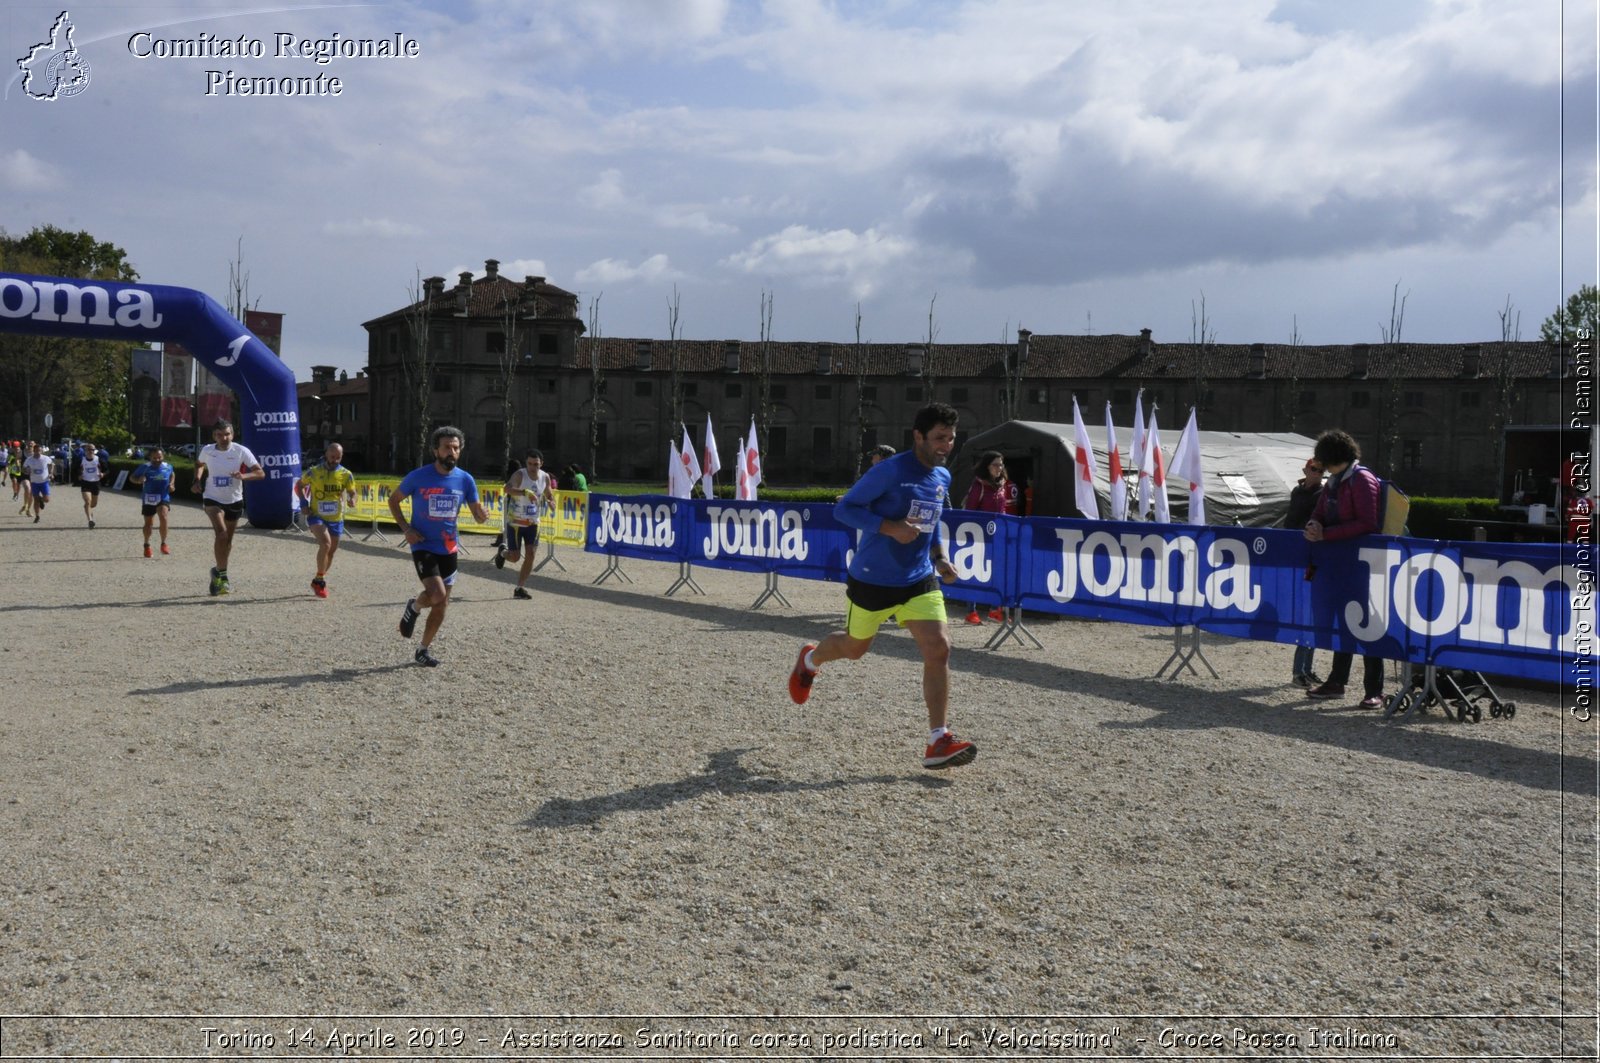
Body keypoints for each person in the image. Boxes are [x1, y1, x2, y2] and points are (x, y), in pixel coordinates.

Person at [787, 403, 977, 770]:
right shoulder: (889, 471)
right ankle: (809, 660)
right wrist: (890, 528)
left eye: (952, 439)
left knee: (939, 648)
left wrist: (939, 556)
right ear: (918, 436)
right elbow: (844, 509)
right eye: (940, 438)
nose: (946, 446)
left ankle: (938, 739)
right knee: (855, 648)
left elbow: (932, 520)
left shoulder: (942, 476)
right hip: (873, 578)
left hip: (919, 577)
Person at [388, 425, 489, 667]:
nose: (451, 452)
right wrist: (406, 528)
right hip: (423, 544)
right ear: (436, 451)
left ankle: (423, 649)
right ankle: (414, 606)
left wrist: (482, 515)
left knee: (442, 603)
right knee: (437, 594)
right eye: (447, 447)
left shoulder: (465, 480)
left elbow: (476, 514)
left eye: (456, 448)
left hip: (449, 547)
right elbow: (394, 500)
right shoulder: (418, 476)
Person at [1303, 429, 1385, 709]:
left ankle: (1375, 689)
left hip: (1363, 567)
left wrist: (1326, 534)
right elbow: (1320, 511)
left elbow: (1368, 524)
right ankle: (1337, 681)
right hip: (1339, 563)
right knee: (1344, 624)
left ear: (1331, 457)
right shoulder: (1335, 481)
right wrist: (1314, 525)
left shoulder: (1362, 479)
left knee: (1367, 625)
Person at [192, 419, 265, 596]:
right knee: (221, 534)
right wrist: (197, 480)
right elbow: (199, 464)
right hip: (212, 498)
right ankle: (223, 578)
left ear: (232, 434)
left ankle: (218, 571)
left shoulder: (241, 451)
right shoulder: (207, 450)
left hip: (234, 499)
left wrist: (244, 476)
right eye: (219, 434)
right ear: (214, 436)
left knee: (228, 542)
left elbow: (260, 473)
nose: (223, 438)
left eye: (227, 434)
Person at [960, 449, 1018, 625]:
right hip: (979, 537)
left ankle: (995, 609)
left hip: (998, 536)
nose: (999, 468)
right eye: (995, 465)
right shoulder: (979, 485)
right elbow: (969, 512)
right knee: (975, 573)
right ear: (987, 466)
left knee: (997, 572)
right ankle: (971, 611)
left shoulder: (1002, 484)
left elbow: (1003, 510)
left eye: (1001, 464)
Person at [1285, 454, 1326, 687]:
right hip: (1301, 560)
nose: (1317, 474)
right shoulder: (1297, 492)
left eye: (1321, 471)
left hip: (1313, 560)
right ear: (1306, 469)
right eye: (1314, 469)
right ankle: (1298, 671)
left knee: (1312, 614)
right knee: (1305, 615)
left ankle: (1306, 669)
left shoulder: (1321, 495)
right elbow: (1292, 523)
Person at [298, 442, 358, 598]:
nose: (335, 461)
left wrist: (353, 499)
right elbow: (299, 486)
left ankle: (318, 579)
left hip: (336, 518)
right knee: (325, 544)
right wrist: (304, 503)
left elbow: (353, 491)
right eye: (332, 457)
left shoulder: (346, 474)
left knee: (331, 552)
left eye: (338, 458)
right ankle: (321, 582)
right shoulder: (314, 472)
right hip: (316, 515)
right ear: (326, 455)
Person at [495, 449, 554, 600]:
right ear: (526, 463)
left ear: (541, 464)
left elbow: (548, 493)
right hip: (516, 522)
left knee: (531, 554)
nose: (533, 467)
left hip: (533, 522)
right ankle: (502, 552)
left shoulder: (545, 477)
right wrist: (524, 492)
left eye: (536, 464)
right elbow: (507, 489)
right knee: (515, 558)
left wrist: (551, 501)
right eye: (530, 464)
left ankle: (519, 588)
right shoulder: (520, 474)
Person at [130, 447, 175, 557]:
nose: (157, 460)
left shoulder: (168, 466)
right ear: (150, 457)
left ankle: (164, 543)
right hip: (148, 497)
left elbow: (172, 474)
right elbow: (132, 478)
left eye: (159, 457)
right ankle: (146, 544)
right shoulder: (145, 467)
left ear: (163, 457)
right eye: (154, 458)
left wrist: (172, 484)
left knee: (163, 516)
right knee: (149, 523)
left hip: (163, 497)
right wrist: (138, 480)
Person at [23, 442, 53, 522]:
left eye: (39, 451)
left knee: (47, 499)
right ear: (33, 451)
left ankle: (41, 500)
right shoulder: (29, 459)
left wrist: (51, 473)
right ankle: (37, 516)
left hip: (44, 482)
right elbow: (24, 468)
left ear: (41, 451)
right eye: (36, 451)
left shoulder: (45, 458)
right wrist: (26, 471)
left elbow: (51, 464)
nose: (38, 452)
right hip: (34, 482)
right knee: (35, 499)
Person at [78, 442, 106, 528]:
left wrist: (103, 474)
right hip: (85, 482)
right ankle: (90, 520)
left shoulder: (99, 460)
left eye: (92, 449)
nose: (91, 451)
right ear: (85, 450)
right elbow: (75, 470)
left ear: (94, 450)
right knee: (87, 502)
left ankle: (88, 509)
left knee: (93, 504)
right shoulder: (81, 460)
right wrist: (78, 476)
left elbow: (107, 470)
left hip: (96, 483)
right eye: (89, 449)